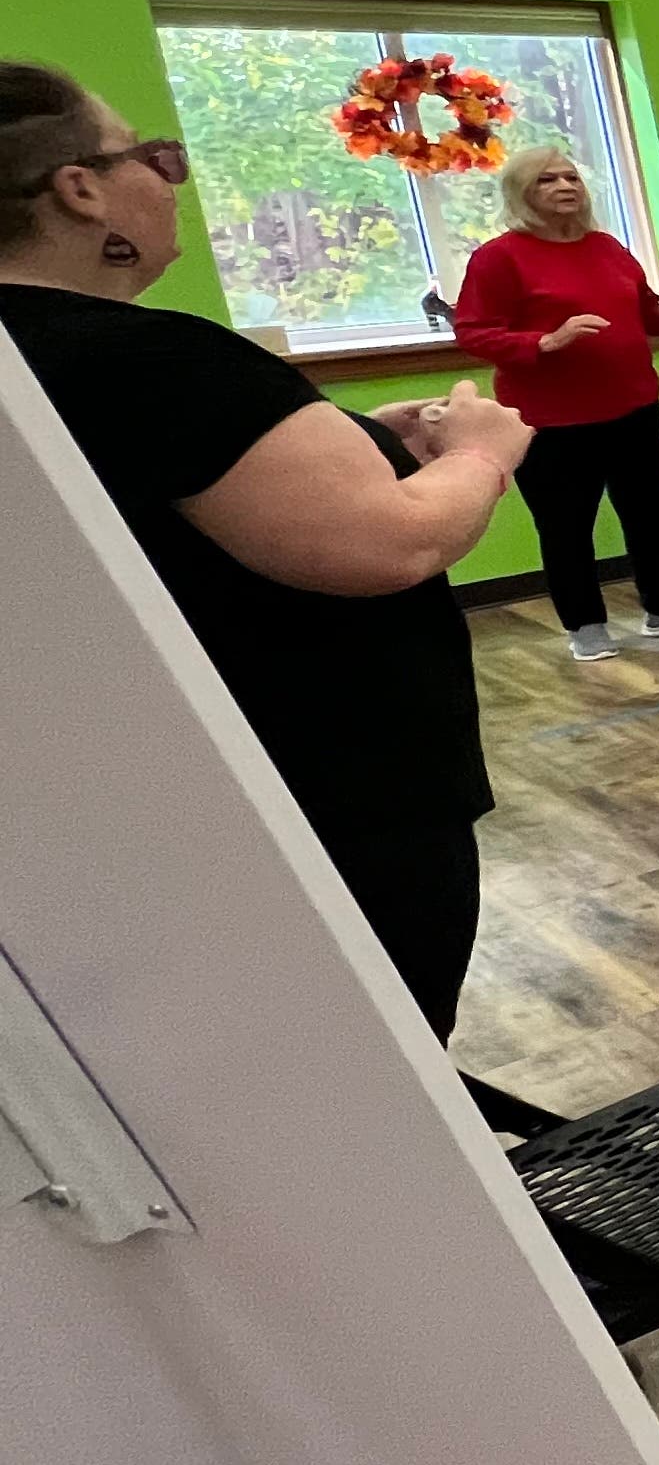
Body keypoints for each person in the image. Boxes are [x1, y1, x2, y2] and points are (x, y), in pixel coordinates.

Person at [0, 62, 532, 1038]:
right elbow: (392, 544)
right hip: (318, 804)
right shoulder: (145, 359)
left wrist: (359, 444)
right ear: (80, 189)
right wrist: (482, 455)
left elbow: (182, 492)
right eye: (154, 157)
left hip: (134, 812)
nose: (170, 179)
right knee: (368, 1053)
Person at [451, 144, 659, 660]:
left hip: (633, 407)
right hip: (550, 422)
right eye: (547, 180)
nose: (565, 186)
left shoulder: (607, 248)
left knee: (652, 514)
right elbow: (474, 332)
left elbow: (643, 313)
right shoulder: (499, 258)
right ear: (522, 194)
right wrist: (544, 342)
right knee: (566, 526)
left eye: (571, 177)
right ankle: (585, 626)